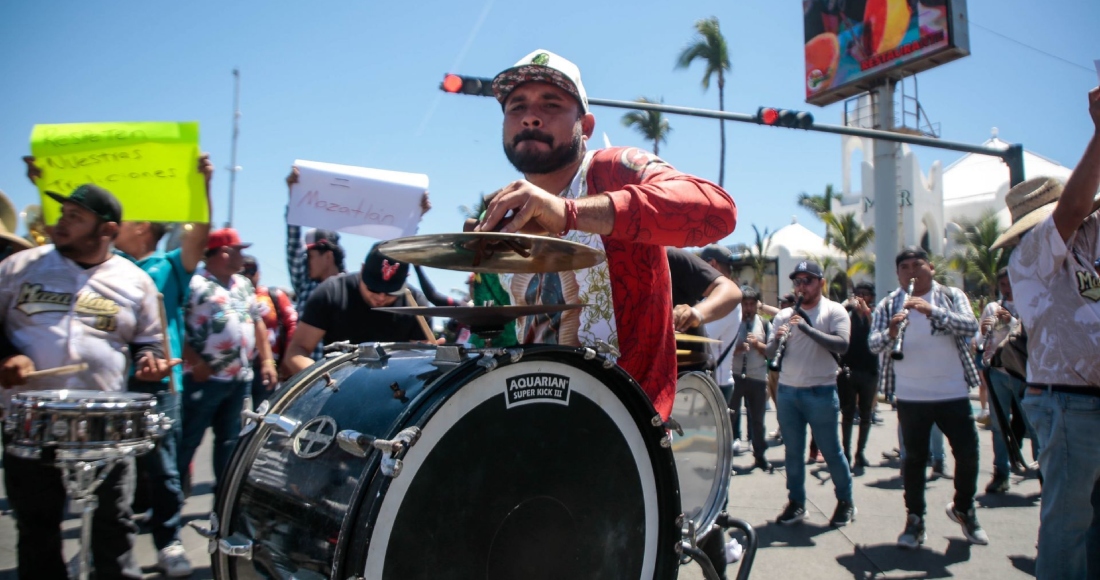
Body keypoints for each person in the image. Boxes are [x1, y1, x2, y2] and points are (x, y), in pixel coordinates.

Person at [474, 49, 737, 421]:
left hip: (627, 430)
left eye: (551, 104)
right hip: (532, 419)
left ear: (587, 126)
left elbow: (716, 211)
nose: (531, 116)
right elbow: (494, 330)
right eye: (516, 107)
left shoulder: (616, 168)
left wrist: (566, 212)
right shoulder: (502, 210)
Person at [23, 155, 213, 575]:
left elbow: (199, 235)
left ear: (137, 227)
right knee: (69, 497)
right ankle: (87, 550)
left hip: (150, 389)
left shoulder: (161, 269)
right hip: (80, 399)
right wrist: (44, 182)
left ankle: (167, 543)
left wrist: (201, 185)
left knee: (156, 474)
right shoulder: (62, 266)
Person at [0, 184, 175, 579]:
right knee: (37, 530)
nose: (62, 223)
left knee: (113, 526)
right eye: (63, 215)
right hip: (30, 419)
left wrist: (150, 363)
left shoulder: (135, 281)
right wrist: (6, 356)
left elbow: (147, 342)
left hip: (104, 424)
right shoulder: (17, 267)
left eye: (75, 218)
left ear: (107, 229)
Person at [990, 87, 1100, 580]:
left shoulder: (1086, 245)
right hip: (1069, 401)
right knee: (1069, 522)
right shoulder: (1033, 250)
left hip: (1084, 396)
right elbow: (1074, 209)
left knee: (1086, 521)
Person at [868, 247, 987, 549]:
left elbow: (970, 326)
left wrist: (930, 310)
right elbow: (873, 344)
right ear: (898, 274)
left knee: (968, 454)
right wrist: (891, 333)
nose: (912, 272)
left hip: (953, 392)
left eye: (917, 265)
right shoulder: (888, 304)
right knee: (914, 461)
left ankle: (963, 506)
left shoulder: (950, 295)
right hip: (911, 395)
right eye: (904, 267)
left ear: (931, 268)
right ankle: (915, 518)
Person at [180, 228, 277, 494]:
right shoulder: (194, 283)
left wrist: (267, 361)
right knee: (187, 442)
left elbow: (257, 322)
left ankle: (222, 511)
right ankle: (169, 514)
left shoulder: (243, 284)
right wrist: (195, 361)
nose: (243, 257)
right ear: (223, 252)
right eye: (238, 251)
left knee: (230, 444)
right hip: (201, 379)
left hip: (238, 380)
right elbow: (176, 325)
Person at [766, 260, 854, 527]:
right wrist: (776, 340)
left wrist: (807, 329)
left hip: (821, 391)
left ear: (821, 283)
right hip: (788, 391)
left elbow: (842, 345)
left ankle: (846, 501)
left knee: (831, 450)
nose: (802, 287)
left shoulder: (834, 311)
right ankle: (796, 503)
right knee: (793, 452)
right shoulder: (783, 315)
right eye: (798, 281)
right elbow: (770, 353)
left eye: (808, 281)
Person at [282, 243, 433, 376]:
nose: (380, 297)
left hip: (394, 389)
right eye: (373, 288)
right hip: (336, 385)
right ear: (362, 270)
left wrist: (430, 357)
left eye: (390, 292)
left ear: (405, 279)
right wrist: (320, 377)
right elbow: (296, 352)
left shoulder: (416, 305)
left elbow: (419, 363)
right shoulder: (331, 291)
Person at [979, 268, 1036, 494]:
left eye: (1009, 282)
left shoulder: (1029, 306)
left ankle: (1043, 474)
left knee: (1033, 425)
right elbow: (979, 340)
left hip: (1023, 374)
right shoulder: (992, 308)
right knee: (998, 426)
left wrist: (1011, 321)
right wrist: (983, 330)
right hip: (997, 373)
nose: (1006, 287)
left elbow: (1032, 334)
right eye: (1002, 283)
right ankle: (1000, 473)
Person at [668, 247, 742, 373]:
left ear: (712, 264)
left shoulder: (670, 258)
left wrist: (695, 314)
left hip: (690, 383)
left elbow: (732, 291)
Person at [241, 255, 298, 405]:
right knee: (238, 414)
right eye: (243, 271)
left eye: (251, 271)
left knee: (265, 409)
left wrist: (288, 358)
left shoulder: (273, 296)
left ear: (258, 273)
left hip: (269, 364)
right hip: (240, 366)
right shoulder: (235, 296)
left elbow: (292, 323)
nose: (247, 276)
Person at [728, 286, 773, 471]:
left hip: (757, 377)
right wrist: (738, 349)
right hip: (736, 376)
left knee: (758, 420)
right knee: (730, 418)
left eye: (751, 304)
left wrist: (758, 345)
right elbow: (723, 348)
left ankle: (760, 455)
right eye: (745, 304)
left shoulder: (764, 324)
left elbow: (771, 352)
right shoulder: (733, 323)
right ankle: (726, 458)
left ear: (756, 306)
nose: (748, 308)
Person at [838, 282, 879, 473]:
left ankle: (860, 452)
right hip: (848, 370)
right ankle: (845, 452)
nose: (861, 298)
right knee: (847, 413)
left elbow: (878, 333)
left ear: (872, 297)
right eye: (858, 294)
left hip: (869, 370)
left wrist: (867, 313)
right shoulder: (846, 314)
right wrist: (848, 306)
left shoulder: (876, 314)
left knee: (866, 415)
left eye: (866, 294)